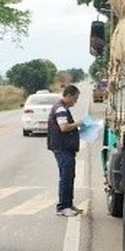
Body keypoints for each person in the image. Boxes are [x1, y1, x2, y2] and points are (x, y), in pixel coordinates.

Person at [47, 85, 82, 217]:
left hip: (65, 148)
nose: (75, 101)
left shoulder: (62, 108)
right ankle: (63, 207)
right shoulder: (60, 109)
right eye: (75, 98)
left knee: (69, 176)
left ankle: (68, 203)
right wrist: (79, 124)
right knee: (66, 177)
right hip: (62, 148)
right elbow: (64, 127)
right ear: (69, 96)